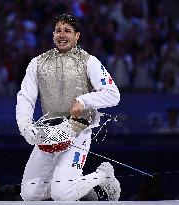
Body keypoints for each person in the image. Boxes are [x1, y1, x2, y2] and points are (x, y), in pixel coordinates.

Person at [16, 14, 121, 201]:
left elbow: (113, 93)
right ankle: (76, 186)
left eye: (67, 31)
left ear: (77, 35)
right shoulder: (38, 63)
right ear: (53, 34)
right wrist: (25, 125)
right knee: (29, 195)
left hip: (78, 132)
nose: (62, 35)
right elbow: (25, 97)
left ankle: (103, 175)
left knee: (62, 195)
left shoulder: (89, 61)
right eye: (58, 30)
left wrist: (84, 100)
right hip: (48, 133)